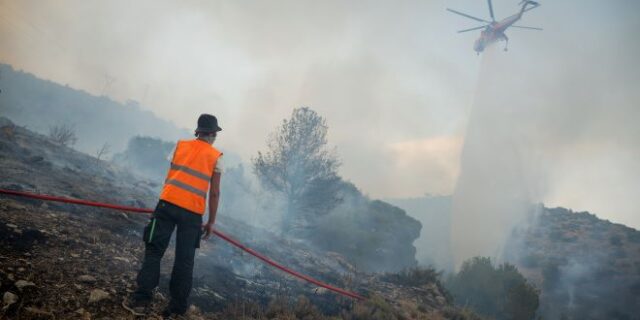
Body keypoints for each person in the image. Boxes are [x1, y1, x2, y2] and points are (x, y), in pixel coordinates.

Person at [124, 114, 223, 317]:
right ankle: (176, 310)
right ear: (212, 134)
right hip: (193, 214)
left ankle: (141, 300)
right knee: (184, 262)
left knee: (154, 252)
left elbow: (171, 173)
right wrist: (211, 221)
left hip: (167, 205)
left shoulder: (180, 145)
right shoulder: (216, 157)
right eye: (215, 134)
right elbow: (214, 193)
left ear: (197, 131)